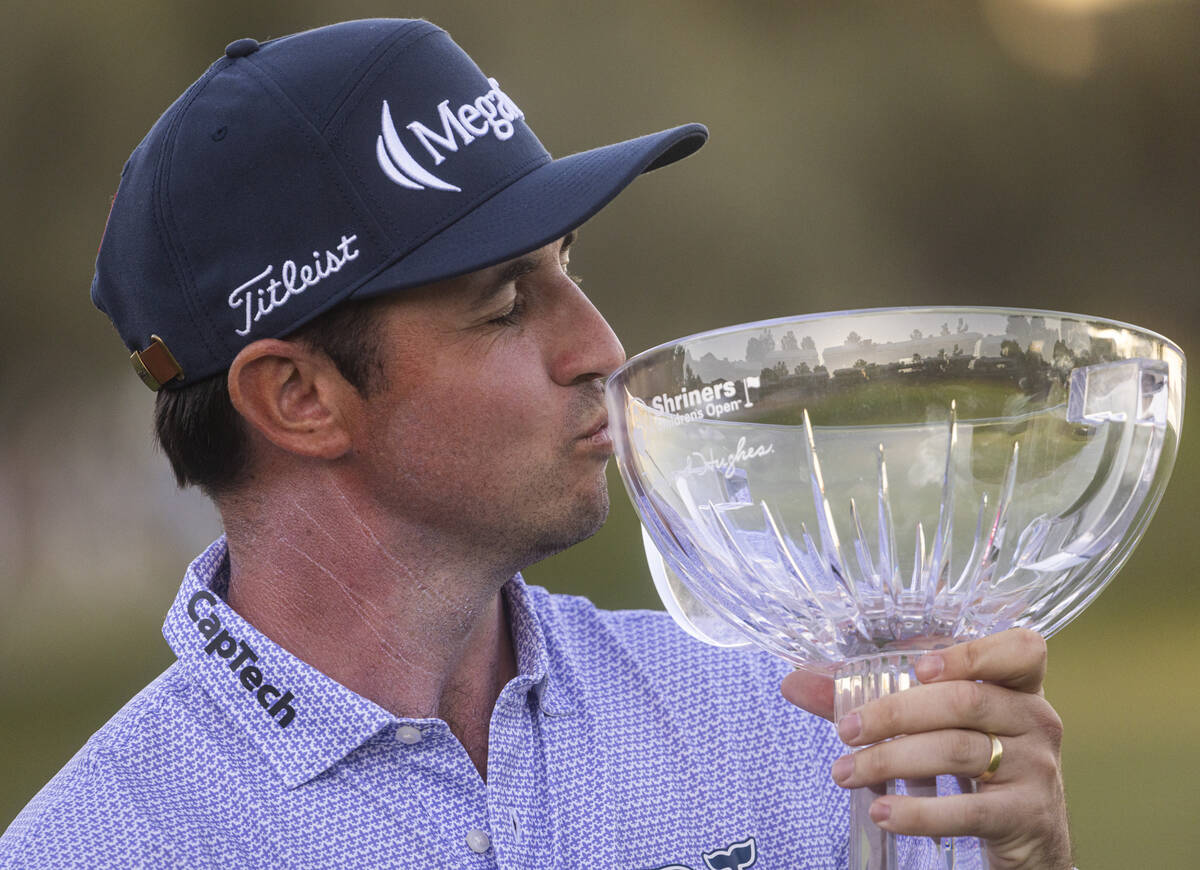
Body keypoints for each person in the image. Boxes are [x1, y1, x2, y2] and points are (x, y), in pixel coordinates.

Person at [0, 18, 1071, 870]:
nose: (600, 345)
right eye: (508, 301)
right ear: (297, 398)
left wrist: (1027, 866)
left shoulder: (790, 713)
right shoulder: (104, 848)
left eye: (570, 265)